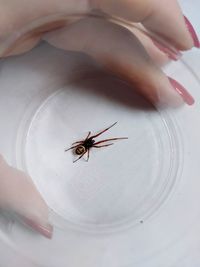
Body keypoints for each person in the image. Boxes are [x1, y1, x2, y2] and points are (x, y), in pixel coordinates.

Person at [0, 0, 199, 239]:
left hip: (84, 145)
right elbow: (85, 145)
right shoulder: (86, 144)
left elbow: (87, 144)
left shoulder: (88, 144)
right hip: (83, 145)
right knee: (100, 138)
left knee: (101, 138)